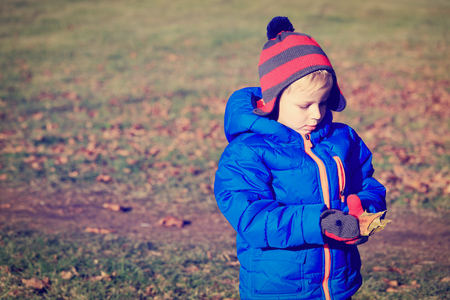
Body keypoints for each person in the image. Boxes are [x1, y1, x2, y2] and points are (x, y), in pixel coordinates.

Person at [214, 16, 387, 300]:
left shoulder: (341, 139)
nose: (317, 114)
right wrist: (318, 222)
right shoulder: (248, 151)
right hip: (279, 287)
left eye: (323, 102)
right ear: (274, 100)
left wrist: (364, 209)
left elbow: (367, 183)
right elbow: (252, 218)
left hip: (337, 282)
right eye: (305, 105)